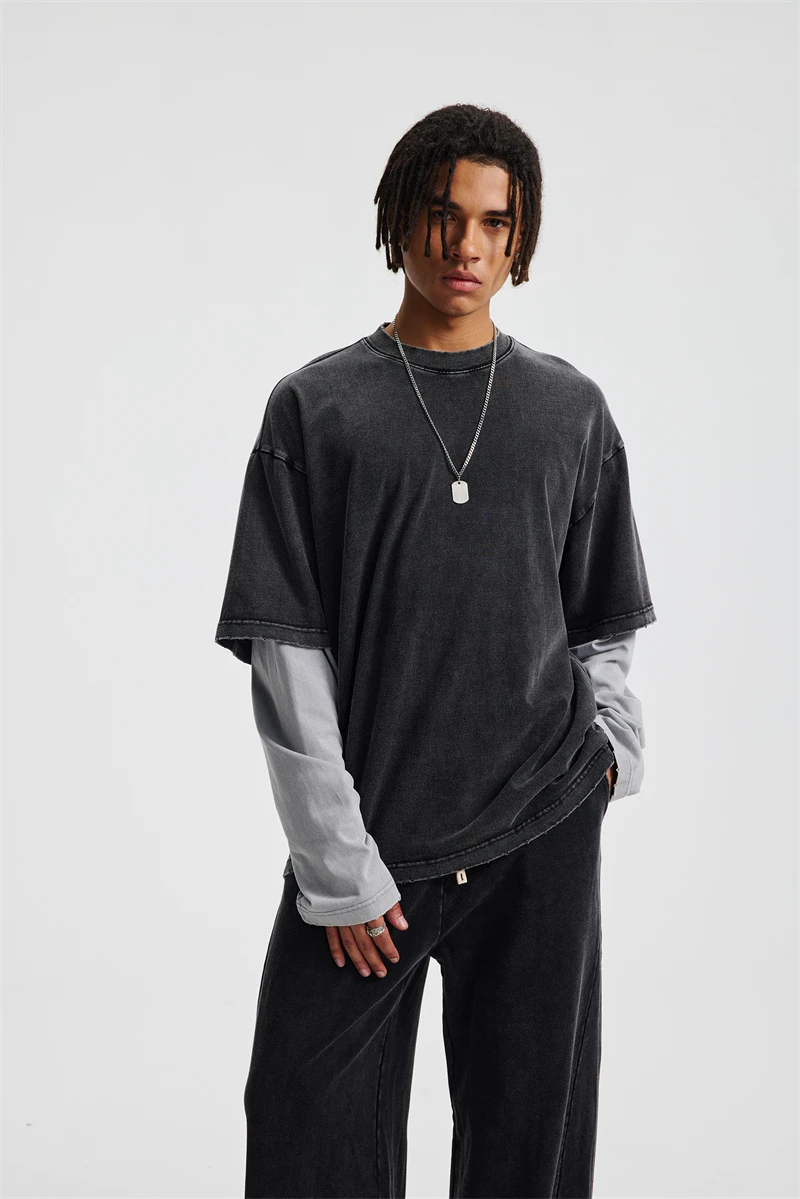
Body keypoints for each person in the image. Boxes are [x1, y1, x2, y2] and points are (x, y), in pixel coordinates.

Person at [214, 102, 656, 1199]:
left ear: (519, 236)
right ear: (398, 219)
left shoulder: (570, 410)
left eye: (493, 222)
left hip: (540, 829)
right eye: (442, 214)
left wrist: (607, 758)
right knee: (304, 1123)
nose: (465, 244)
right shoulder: (316, 409)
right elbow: (286, 652)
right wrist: (339, 866)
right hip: (375, 845)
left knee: (528, 1148)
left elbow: (600, 618)